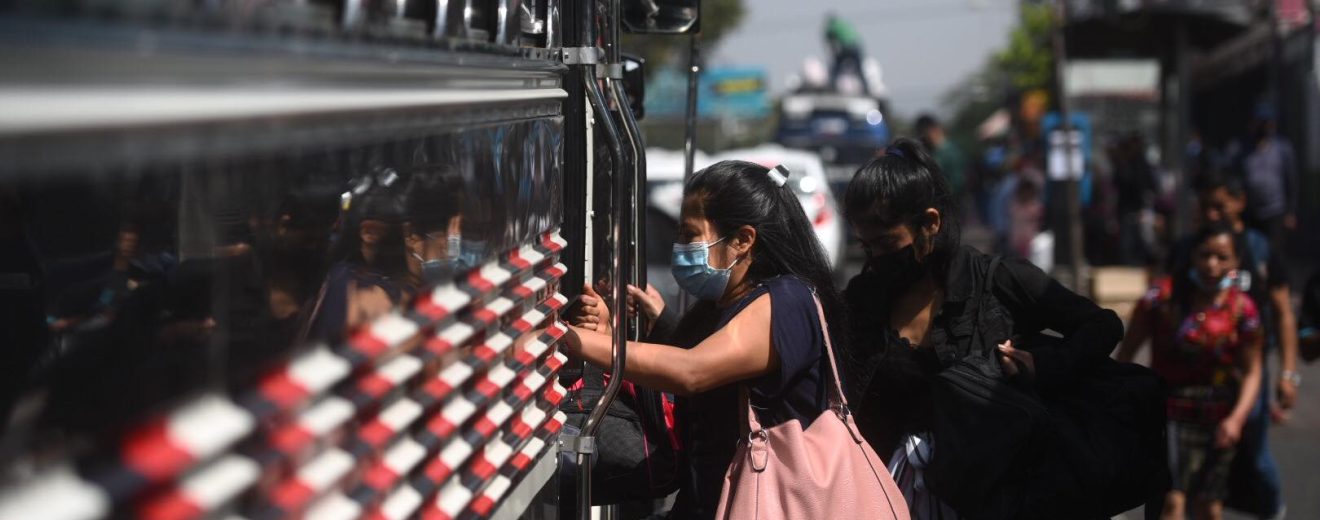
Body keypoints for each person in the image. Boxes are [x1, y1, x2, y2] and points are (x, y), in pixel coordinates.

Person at [838, 138, 1123, 518]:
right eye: (865, 246)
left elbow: (1102, 325)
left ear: (930, 223)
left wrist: (1044, 365)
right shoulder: (863, 298)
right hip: (890, 495)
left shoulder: (996, 282)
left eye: (887, 243)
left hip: (997, 495)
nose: (875, 258)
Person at [563, 160, 847, 520]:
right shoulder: (723, 305)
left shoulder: (786, 301)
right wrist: (606, 335)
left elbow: (691, 371)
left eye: (690, 235)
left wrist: (571, 339)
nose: (679, 247)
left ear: (743, 240)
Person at [1168, 171, 1298, 519]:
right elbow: (1161, 312)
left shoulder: (1259, 249)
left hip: (1243, 373)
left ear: (1239, 204)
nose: (1211, 215)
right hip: (1193, 382)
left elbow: (1284, 313)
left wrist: (1288, 373)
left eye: (1219, 206)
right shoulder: (1186, 251)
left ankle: (1271, 510)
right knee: (1186, 482)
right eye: (1205, 207)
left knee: (1253, 457)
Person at [1118, 223, 1264, 520]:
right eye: (1205, 255)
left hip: (1219, 417)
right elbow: (1127, 353)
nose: (1212, 265)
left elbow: (1252, 371)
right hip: (1168, 414)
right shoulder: (1161, 298)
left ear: (1236, 262)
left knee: (1209, 507)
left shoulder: (1242, 310)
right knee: (1171, 502)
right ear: (1192, 256)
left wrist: (1236, 420)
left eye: (1222, 257)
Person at [1241, 106, 1298, 259]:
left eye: (1267, 123)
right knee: (1253, 251)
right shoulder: (1244, 149)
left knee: (1274, 252)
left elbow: (1290, 181)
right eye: (1261, 123)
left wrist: (1290, 212)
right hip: (1252, 212)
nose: (1264, 127)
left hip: (1275, 211)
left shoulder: (1282, 148)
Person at [823, 14, 869, 93]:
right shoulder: (845, 24)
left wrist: (832, 53)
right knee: (859, 69)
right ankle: (866, 88)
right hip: (856, 46)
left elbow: (829, 41)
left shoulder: (831, 28)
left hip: (846, 48)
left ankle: (832, 86)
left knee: (836, 67)